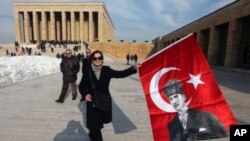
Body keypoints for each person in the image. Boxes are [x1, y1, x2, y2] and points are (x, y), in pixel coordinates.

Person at [78, 50, 139, 141]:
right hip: (92, 103)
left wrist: (133, 68)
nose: (97, 60)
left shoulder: (107, 70)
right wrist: (85, 94)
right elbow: (81, 86)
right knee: (96, 127)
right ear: (91, 60)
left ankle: (92, 133)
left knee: (96, 125)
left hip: (103, 101)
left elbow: (120, 74)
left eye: (100, 58)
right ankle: (94, 133)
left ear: (102, 60)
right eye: (95, 58)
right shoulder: (87, 72)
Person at [163, 79, 228, 141]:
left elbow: (223, 135)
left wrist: (194, 136)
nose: (174, 101)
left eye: (176, 96)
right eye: (171, 99)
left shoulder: (205, 116)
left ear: (184, 96)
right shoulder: (171, 125)